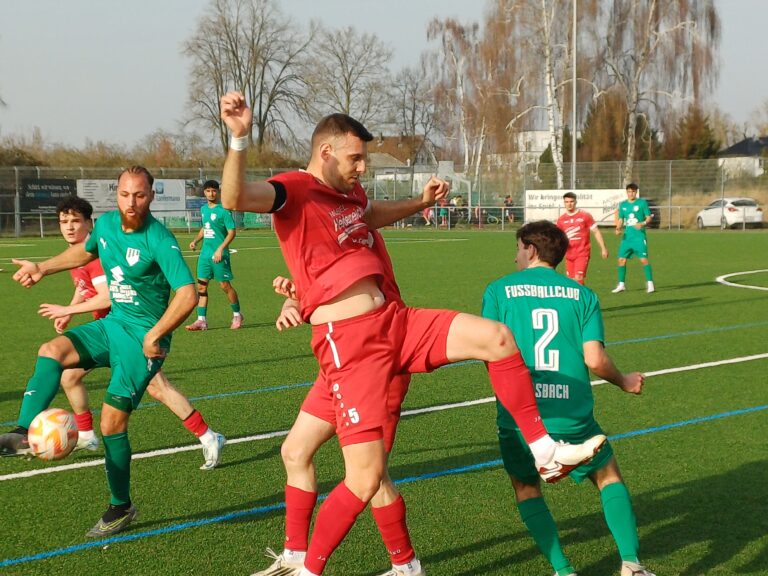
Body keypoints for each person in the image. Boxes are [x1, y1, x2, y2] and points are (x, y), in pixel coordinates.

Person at [218, 92, 605, 576]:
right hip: (350, 346)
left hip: (395, 323)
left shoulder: (351, 195)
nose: (363, 166)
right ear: (326, 152)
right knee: (351, 472)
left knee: (498, 339)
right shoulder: (294, 188)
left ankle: (544, 451)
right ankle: (312, 565)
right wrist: (238, 136)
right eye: (355, 157)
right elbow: (236, 198)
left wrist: (419, 202)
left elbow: (370, 214)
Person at [8, 166, 198, 538]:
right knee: (52, 350)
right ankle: (20, 432)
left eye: (140, 195)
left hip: (144, 339)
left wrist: (157, 333)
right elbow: (84, 252)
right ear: (116, 195)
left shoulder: (159, 239)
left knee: (112, 422)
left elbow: (187, 294)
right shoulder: (108, 226)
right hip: (113, 325)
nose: (132, 202)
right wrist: (43, 268)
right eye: (126, 195)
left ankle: (120, 505)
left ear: (152, 196)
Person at [0, 196, 226, 471]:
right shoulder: (79, 253)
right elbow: (84, 286)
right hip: (106, 332)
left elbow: (106, 297)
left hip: (128, 333)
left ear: (89, 224)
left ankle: (207, 435)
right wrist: (70, 310)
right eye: (63, 222)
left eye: (75, 222)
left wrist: (67, 309)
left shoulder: (98, 253)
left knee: (159, 388)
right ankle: (84, 435)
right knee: (70, 375)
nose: (69, 227)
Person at [482, 220, 656, 576]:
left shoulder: (498, 291)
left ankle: (563, 570)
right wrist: (624, 381)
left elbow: (487, 350)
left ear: (530, 250)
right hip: (572, 413)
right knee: (608, 476)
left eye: (517, 249)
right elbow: (594, 359)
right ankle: (632, 565)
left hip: (520, 418)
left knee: (527, 487)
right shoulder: (582, 295)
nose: (515, 257)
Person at [255, 257, 425, 576]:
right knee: (294, 452)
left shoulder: (353, 231)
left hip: (375, 362)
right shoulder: (316, 234)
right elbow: (311, 288)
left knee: (372, 477)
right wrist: (292, 303)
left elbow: (357, 301)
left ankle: (406, 566)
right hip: (337, 364)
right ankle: (294, 556)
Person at [186, 179, 244, 330]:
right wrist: (195, 241)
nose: (211, 193)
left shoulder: (224, 210)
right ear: (204, 192)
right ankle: (201, 320)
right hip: (205, 255)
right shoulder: (204, 209)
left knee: (225, 286)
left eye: (214, 191)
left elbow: (232, 232)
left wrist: (220, 249)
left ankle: (237, 314)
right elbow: (205, 228)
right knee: (202, 288)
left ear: (217, 192)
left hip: (220, 255)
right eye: (208, 191)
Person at [556, 192, 609, 285]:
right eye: (567, 202)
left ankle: (583, 299)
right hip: (569, 255)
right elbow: (558, 238)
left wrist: (603, 248)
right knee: (571, 282)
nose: (569, 204)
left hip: (582, 253)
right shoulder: (561, 220)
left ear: (576, 202)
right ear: (564, 203)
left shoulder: (585, 216)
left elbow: (596, 231)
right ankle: (581, 298)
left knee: (578, 278)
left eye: (571, 201)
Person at [612, 183, 655, 294]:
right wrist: (618, 228)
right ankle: (621, 285)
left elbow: (649, 217)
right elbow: (621, 219)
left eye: (633, 191)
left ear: (636, 192)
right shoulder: (623, 205)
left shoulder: (642, 203)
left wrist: (643, 223)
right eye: (629, 191)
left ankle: (650, 284)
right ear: (627, 192)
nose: (631, 193)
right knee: (621, 259)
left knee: (643, 260)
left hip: (639, 237)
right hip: (627, 238)